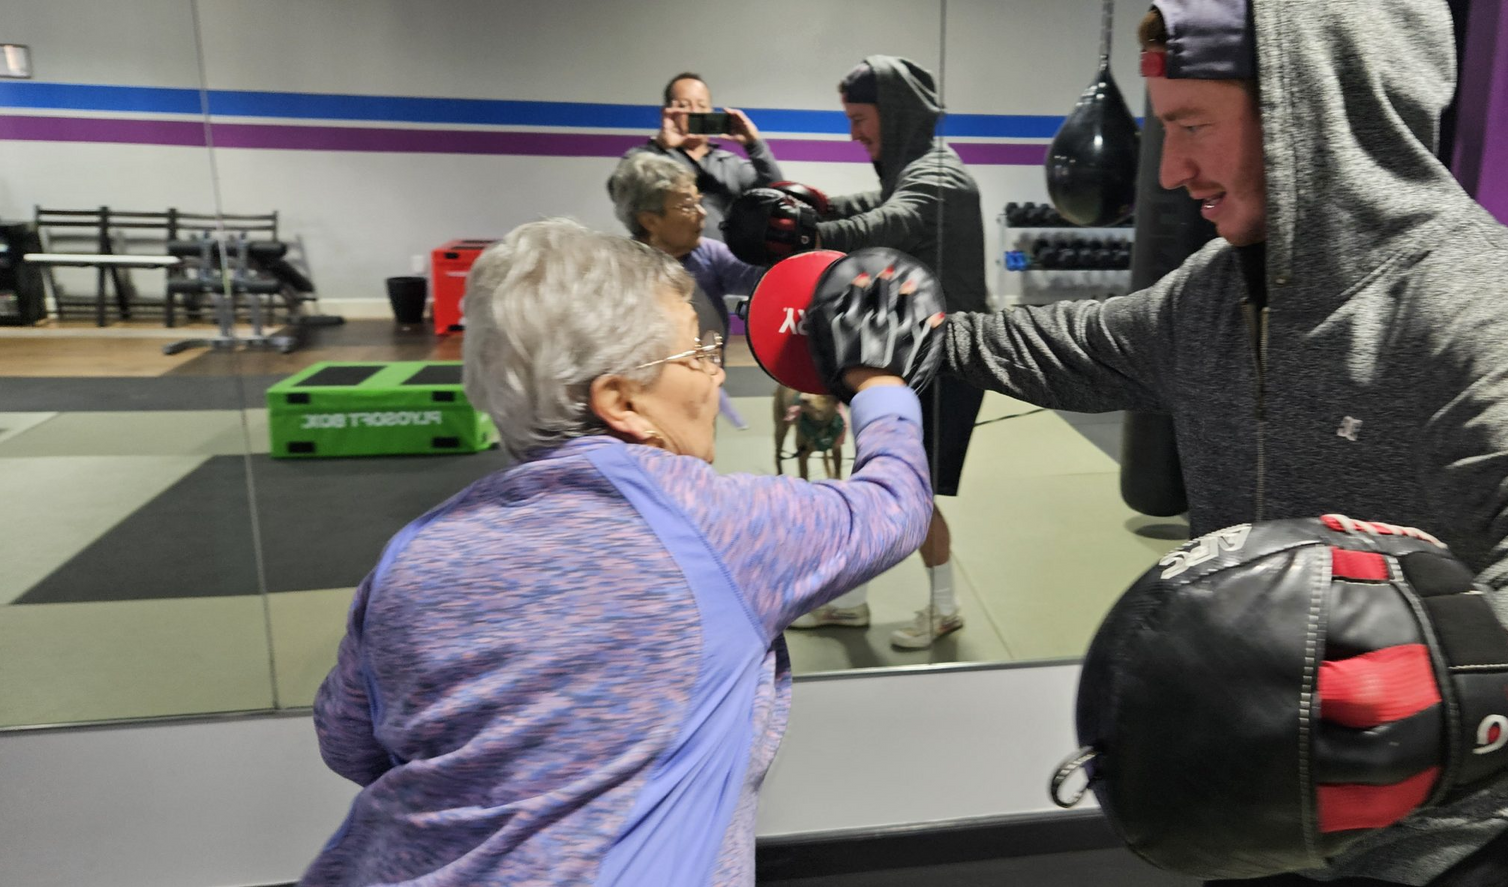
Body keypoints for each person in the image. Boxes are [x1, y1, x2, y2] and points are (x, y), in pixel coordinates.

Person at [933, 2, 1508, 885]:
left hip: (1427, 843)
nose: (1170, 171)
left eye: (1192, 126)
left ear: (1312, 113)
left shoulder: (1476, 299)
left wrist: (1497, 671)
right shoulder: (1211, 292)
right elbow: (1073, 343)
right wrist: (924, 338)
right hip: (1249, 811)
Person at [299, 219, 937, 886]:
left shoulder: (412, 554)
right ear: (621, 400)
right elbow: (893, 505)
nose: (716, 372)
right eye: (698, 354)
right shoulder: (713, 527)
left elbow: (347, 742)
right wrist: (878, 382)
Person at [778, 56, 990, 650]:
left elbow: (891, 221)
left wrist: (810, 234)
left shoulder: (939, 178)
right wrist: (812, 206)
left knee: (910, 488)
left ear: (891, 113)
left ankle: (945, 608)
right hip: (917, 353)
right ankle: (850, 603)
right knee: (877, 474)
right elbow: (872, 203)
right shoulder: (917, 168)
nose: (853, 134)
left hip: (947, 362)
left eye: (859, 119)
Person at [608, 150, 763, 331]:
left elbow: (762, 279)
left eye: (699, 202)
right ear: (650, 221)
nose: (702, 213)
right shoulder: (617, 272)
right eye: (687, 206)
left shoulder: (708, 253)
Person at [632, 72, 784, 240]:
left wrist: (754, 144)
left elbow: (775, 192)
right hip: (661, 255)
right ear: (667, 112)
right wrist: (660, 147)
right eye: (683, 105)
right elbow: (622, 188)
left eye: (702, 106)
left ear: (711, 112)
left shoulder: (730, 164)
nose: (695, 112)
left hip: (722, 256)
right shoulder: (650, 157)